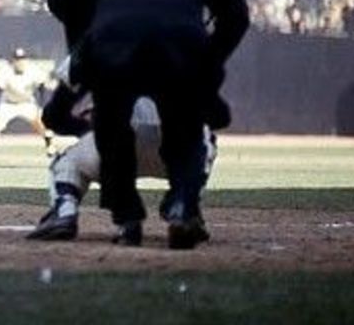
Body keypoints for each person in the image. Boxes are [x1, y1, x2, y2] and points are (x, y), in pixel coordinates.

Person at [47, 0, 249, 249]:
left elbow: (60, 0)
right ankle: (184, 205)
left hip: (112, 49)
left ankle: (128, 219)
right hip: (182, 49)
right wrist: (209, 61)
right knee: (188, 135)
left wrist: (85, 42)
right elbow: (237, 15)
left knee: (112, 132)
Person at [28, 64, 220, 242]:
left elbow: (53, 116)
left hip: (116, 150)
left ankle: (66, 211)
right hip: (178, 151)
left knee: (66, 162)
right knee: (206, 140)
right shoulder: (190, 37)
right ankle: (183, 205)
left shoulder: (99, 37)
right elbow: (216, 113)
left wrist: (90, 125)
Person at [0, 47, 53, 159]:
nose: (20, 62)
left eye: (22, 59)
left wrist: (42, 105)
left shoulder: (33, 70)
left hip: (27, 103)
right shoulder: (6, 71)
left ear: (26, 60)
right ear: (13, 61)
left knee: (43, 121)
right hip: (8, 103)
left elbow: (42, 86)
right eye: (17, 59)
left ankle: (50, 146)